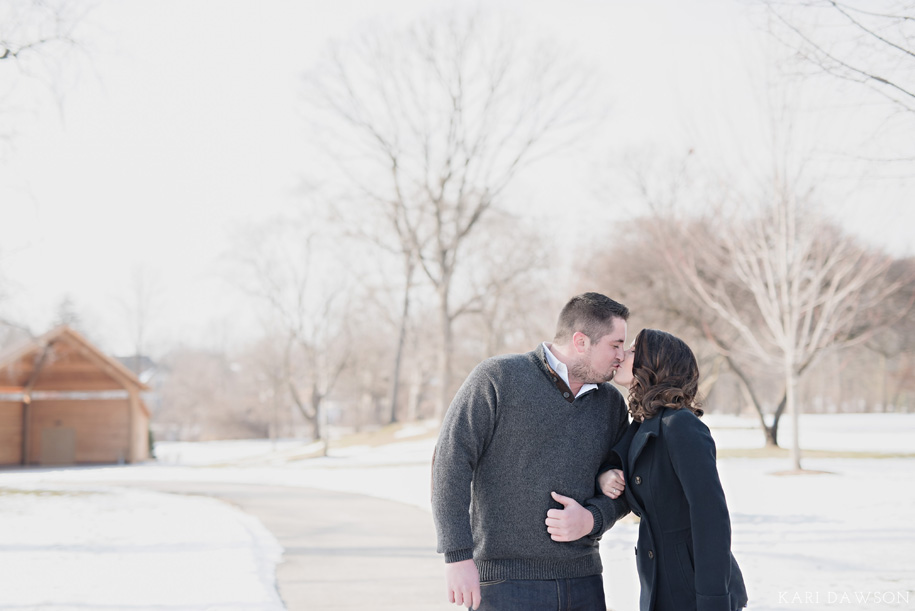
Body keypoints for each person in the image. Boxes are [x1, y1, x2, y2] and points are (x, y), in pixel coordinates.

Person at [432, 292, 633, 610]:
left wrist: (592, 519)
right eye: (615, 344)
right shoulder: (498, 378)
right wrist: (456, 556)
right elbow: (450, 462)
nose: (622, 355)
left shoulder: (610, 404)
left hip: (584, 582)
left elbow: (626, 484)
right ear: (581, 342)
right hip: (504, 584)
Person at [598, 329, 748, 611]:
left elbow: (711, 518)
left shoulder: (680, 426)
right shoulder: (642, 425)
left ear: (654, 363)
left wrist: (713, 601)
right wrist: (605, 474)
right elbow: (623, 466)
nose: (621, 356)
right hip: (657, 584)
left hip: (695, 589)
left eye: (632, 351)